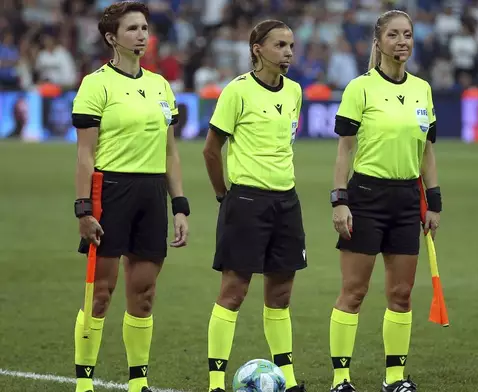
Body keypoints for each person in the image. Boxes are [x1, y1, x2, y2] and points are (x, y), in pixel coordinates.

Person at [71, 2, 190, 392]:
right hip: (111, 191)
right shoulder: (96, 84)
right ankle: (84, 383)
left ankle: (138, 383)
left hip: (152, 192)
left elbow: (171, 152)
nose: (142, 34)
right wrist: (83, 208)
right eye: (133, 28)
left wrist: (180, 205)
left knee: (144, 293)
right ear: (112, 37)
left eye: (144, 28)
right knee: (101, 294)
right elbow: (85, 154)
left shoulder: (160, 85)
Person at [327, 10, 442, 392]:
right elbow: (345, 149)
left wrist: (435, 202)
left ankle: (394, 377)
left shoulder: (422, 89)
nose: (403, 42)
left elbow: (427, 151)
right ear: (378, 42)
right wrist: (339, 200)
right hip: (366, 197)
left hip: (408, 200)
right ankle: (341, 378)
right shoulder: (360, 88)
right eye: (394, 35)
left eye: (407, 35)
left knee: (401, 293)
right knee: (354, 292)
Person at [202, 19, 307, 392]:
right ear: (257, 49)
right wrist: (223, 195)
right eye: (279, 45)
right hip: (246, 200)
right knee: (234, 291)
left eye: (291, 46)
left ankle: (289, 380)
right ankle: (216, 382)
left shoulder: (294, 92)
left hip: (286, 201)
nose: (288, 53)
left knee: (280, 294)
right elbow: (211, 150)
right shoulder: (237, 92)